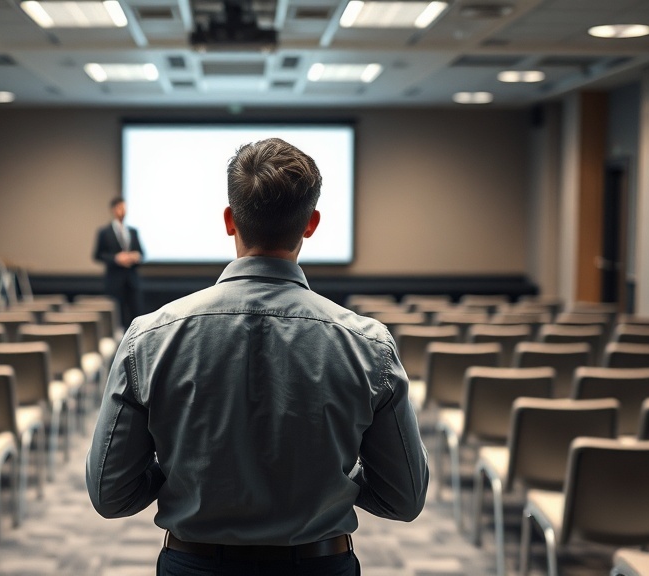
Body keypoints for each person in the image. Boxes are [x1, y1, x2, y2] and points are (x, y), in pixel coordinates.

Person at [86, 138, 429, 576]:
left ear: (230, 221)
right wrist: (335, 480)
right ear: (312, 223)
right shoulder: (369, 345)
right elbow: (404, 498)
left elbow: (110, 493)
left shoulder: (149, 338)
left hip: (193, 565)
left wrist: (178, 472)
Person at [93, 197, 144, 328]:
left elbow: (141, 253)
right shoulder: (104, 232)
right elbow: (98, 255)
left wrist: (135, 256)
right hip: (114, 281)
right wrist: (116, 258)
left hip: (132, 280)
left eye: (125, 208)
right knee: (117, 317)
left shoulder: (133, 231)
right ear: (113, 209)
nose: (123, 211)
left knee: (135, 314)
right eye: (120, 208)